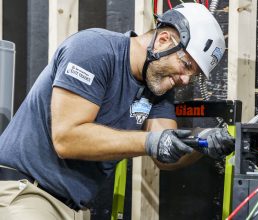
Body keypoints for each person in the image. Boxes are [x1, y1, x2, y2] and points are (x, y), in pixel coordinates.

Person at [0, 3, 234, 219]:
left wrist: (201, 142)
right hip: (25, 192)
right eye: (186, 66)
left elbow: (165, 151)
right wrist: (152, 141)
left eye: (193, 76)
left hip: (72, 208)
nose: (185, 79)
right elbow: (67, 139)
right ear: (164, 40)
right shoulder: (94, 50)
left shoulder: (158, 86)